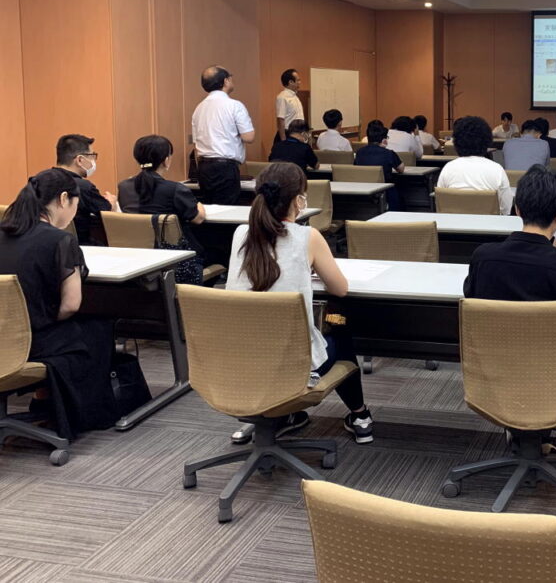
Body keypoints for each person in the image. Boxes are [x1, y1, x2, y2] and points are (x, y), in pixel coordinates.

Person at [463, 164, 556, 434]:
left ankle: (525, 430)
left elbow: (472, 298)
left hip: (494, 363)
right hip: (555, 367)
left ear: (517, 209)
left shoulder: (483, 257)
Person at [226, 163, 373, 445]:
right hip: (293, 370)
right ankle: (360, 414)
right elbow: (340, 289)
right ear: (298, 201)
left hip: (239, 364)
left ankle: (285, 416)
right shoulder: (308, 236)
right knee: (339, 331)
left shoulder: (240, 234)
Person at [0, 169, 117, 439]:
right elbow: (70, 305)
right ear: (64, 199)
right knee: (97, 329)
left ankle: (44, 395)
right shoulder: (60, 240)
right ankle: (75, 413)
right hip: (31, 343)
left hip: (3, 336)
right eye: (75, 204)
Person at [118, 135, 208, 259]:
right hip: (177, 258)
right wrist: (199, 204)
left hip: (137, 255)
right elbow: (198, 219)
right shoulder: (175, 189)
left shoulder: (124, 187)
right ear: (166, 160)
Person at [191, 66, 255, 206]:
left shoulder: (199, 108)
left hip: (203, 167)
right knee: (227, 209)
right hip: (225, 168)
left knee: (209, 210)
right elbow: (249, 137)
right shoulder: (234, 105)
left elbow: (196, 144)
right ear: (226, 81)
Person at [436, 116, 513, 215]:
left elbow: (441, 204)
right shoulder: (497, 169)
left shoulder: (448, 168)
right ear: (487, 141)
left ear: (456, 142)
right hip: (489, 223)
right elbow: (506, 208)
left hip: (454, 223)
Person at [53, 134, 114, 246]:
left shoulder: (38, 181)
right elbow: (106, 213)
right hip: (82, 248)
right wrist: (111, 203)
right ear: (80, 160)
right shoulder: (83, 187)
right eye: (92, 155)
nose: (93, 161)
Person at [354, 123, 404, 210]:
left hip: (363, 190)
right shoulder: (389, 153)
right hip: (385, 191)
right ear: (384, 140)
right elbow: (401, 169)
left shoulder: (359, 152)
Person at [275, 69, 304, 141]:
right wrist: (283, 140)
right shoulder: (282, 97)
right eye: (298, 80)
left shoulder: (295, 97)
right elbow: (280, 119)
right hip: (288, 134)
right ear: (291, 82)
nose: (300, 82)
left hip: (297, 134)